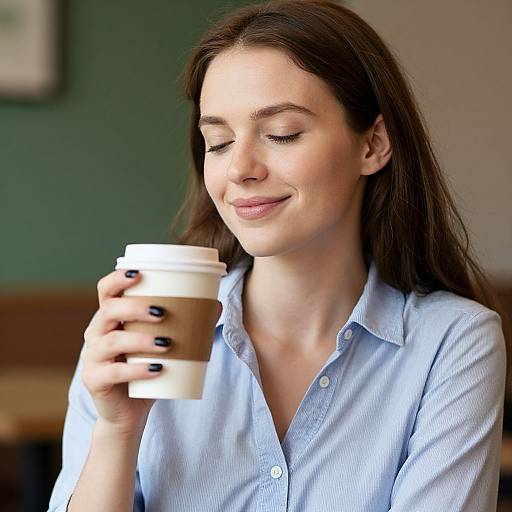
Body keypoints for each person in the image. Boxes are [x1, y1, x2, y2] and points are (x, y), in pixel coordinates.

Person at [48, 1, 508, 510]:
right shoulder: (138, 333)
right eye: (218, 142)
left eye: (281, 133)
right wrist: (117, 430)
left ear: (373, 143)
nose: (240, 168)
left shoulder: (452, 344)